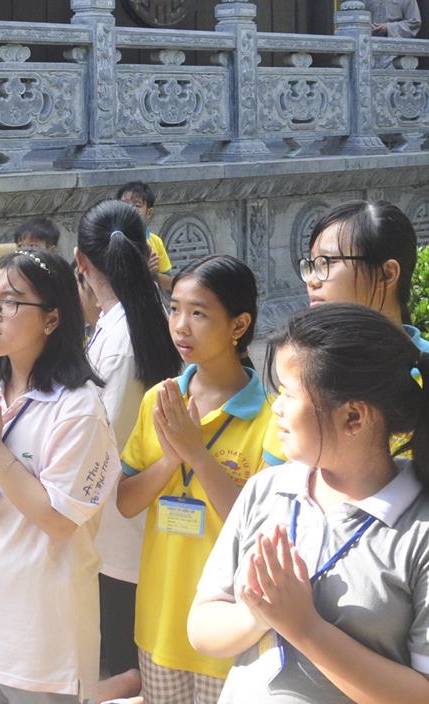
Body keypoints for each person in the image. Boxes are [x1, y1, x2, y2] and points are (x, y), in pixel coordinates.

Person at [188, 304, 429, 703]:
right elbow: (202, 625)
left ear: (353, 417)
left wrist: (305, 628)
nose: (276, 407)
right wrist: (257, 614)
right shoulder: (267, 490)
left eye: (288, 393)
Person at [0, 249, 116, 704]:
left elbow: (59, 519)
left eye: (10, 302)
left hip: (39, 633)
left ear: (52, 319)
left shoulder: (78, 408)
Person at [116, 255, 270, 704]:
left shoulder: (270, 416)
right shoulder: (159, 401)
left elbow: (257, 526)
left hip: (231, 629)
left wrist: (198, 456)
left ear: (239, 324)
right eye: (175, 309)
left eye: (198, 313)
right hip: (161, 623)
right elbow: (125, 502)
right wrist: (170, 459)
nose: (181, 326)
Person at [275, 200, 429, 479]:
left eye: (328, 263)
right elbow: (274, 479)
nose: (312, 280)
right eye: (312, 265)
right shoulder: (301, 372)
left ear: (387, 274)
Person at [75, 200, 182, 693]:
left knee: (121, 663)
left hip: (118, 523)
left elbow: (104, 444)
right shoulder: (145, 315)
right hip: (134, 515)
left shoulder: (121, 338)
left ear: (81, 262)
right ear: (146, 252)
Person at [117, 182, 174, 295]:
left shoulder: (155, 241)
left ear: (149, 213)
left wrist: (151, 274)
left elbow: (170, 284)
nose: (129, 209)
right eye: (124, 204)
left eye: (137, 205)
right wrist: (140, 271)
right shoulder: (111, 240)